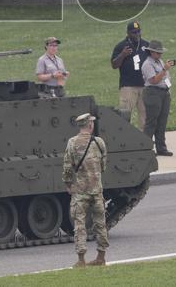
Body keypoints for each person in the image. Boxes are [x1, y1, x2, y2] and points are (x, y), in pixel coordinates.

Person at [62, 112, 108, 268]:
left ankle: (81, 259)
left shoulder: (72, 143)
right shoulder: (99, 142)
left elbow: (68, 167)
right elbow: (103, 166)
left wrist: (69, 185)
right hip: (97, 190)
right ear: (90, 125)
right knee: (100, 224)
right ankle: (101, 257)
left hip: (80, 191)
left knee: (79, 224)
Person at [111, 20, 149, 131]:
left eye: (138, 31)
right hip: (128, 86)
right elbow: (114, 65)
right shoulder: (121, 46)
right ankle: (125, 140)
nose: (137, 34)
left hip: (144, 85)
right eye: (134, 32)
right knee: (125, 115)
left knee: (145, 115)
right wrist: (122, 55)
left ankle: (145, 141)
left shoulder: (146, 45)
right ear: (128, 33)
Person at [141, 40, 174, 157]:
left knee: (162, 122)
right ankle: (146, 148)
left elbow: (165, 78)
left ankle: (161, 148)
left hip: (164, 93)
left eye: (161, 53)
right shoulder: (147, 64)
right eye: (158, 53)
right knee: (151, 122)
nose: (160, 55)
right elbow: (154, 80)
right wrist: (164, 69)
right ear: (152, 52)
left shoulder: (159, 61)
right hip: (153, 93)